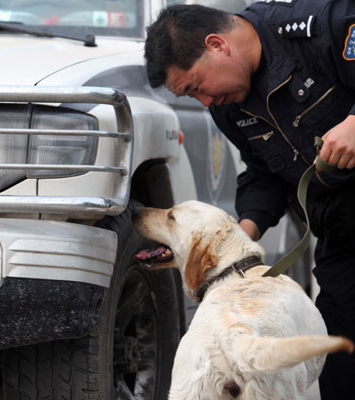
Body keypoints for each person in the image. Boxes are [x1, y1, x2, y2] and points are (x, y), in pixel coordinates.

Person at [144, 0, 355, 398]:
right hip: (340, 227)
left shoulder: (323, 24)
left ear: (217, 45)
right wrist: (238, 235)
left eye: (195, 87)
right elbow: (264, 172)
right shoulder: (229, 105)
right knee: (341, 356)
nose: (205, 102)